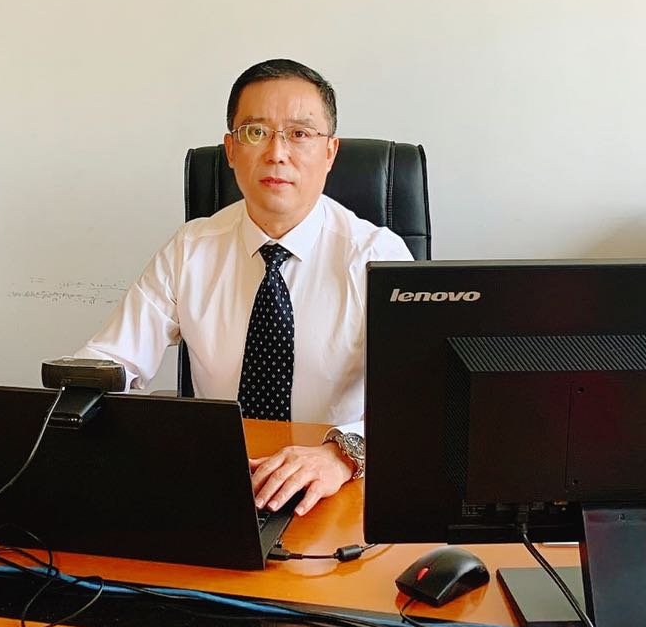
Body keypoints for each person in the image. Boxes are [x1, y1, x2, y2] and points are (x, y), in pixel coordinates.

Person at [71, 59, 412, 516]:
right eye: (256, 132)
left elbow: (418, 400)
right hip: (219, 486)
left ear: (330, 152)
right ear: (231, 150)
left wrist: (342, 455)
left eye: (300, 133)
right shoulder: (191, 248)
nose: (277, 153)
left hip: (337, 491)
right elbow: (110, 362)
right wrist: (79, 401)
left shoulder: (375, 256)